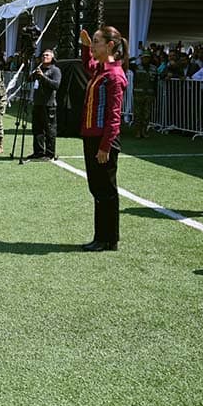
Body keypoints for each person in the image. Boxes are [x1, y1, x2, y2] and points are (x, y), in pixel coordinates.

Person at [78, 26, 129, 251]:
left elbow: (114, 116)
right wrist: (85, 47)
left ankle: (109, 239)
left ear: (109, 45)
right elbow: (88, 65)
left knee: (106, 190)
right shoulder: (101, 70)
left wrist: (105, 145)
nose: (94, 45)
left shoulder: (114, 76)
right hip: (92, 136)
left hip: (102, 139)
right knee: (97, 189)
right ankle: (102, 237)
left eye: (97, 42)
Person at [26, 49, 61, 161]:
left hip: (49, 105)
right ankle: (38, 152)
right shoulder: (39, 69)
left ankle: (50, 153)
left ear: (52, 57)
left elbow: (56, 85)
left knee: (49, 129)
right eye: (43, 55)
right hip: (38, 104)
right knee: (37, 129)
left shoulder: (55, 70)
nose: (44, 57)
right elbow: (28, 80)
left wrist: (43, 77)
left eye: (47, 55)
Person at [132, 50, 158, 138]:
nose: (146, 59)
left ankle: (144, 130)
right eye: (144, 58)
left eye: (147, 58)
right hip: (138, 94)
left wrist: (155, 94)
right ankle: (138, 131)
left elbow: (155, 82)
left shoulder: (154, 68)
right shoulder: (136, 67)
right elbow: (125, 63)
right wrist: (135, 57)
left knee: (147, 114)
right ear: (141, 58)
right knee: (138, 114)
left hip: (149, 94)